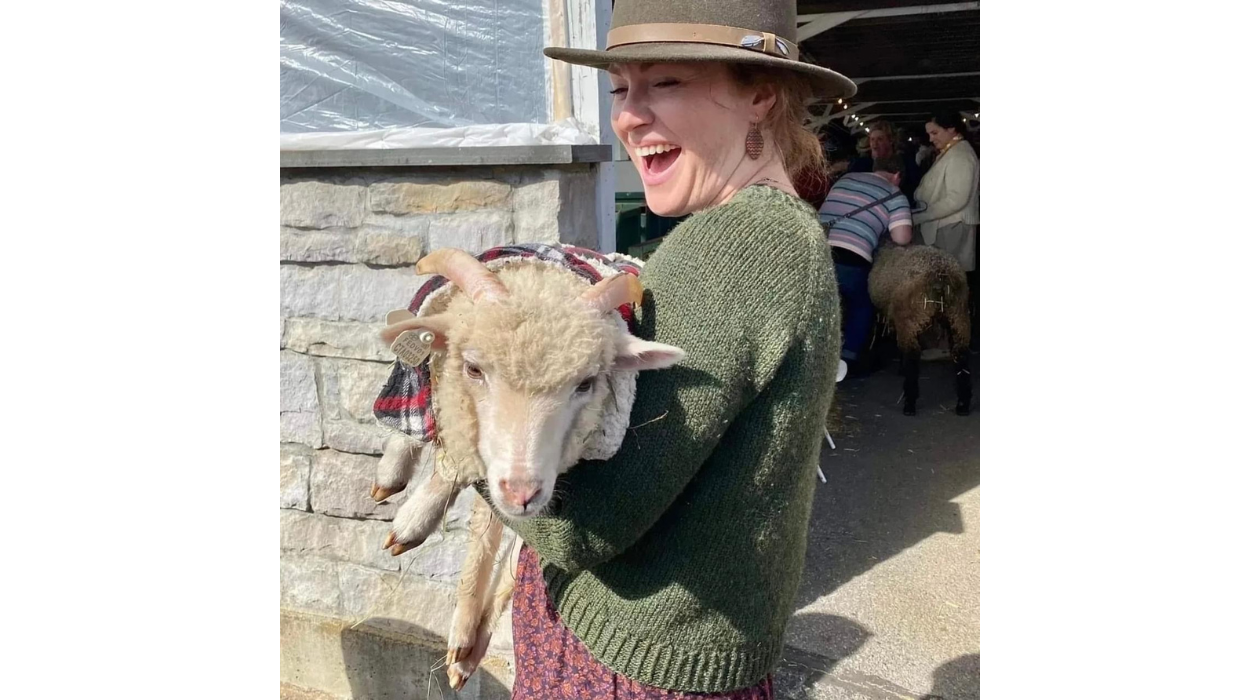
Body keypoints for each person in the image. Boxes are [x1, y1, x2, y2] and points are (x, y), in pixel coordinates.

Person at [488, 0, 852, 697]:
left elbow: (578, 529)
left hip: (632, 659)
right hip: (679, 648)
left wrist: (462, 404)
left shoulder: (739, 246)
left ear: (761, 94)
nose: (628, 117)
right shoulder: (772, 233)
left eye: (665, 84)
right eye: (622, 89)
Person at [818, 157, 913, 379]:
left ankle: (813, 355)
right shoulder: (894, 194)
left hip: (820, 249)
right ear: (897, 176)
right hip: (852, 256)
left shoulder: (845, 179)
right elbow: (902, 237)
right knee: (862, 304)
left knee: (821, 302)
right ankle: (847, 360)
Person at [913, 112, 980, 272]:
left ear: (951, 128)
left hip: (950, 226)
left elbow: (956, 199)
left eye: (934, 133)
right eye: (929, 134)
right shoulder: (953, 151)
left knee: (946, 276)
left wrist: (920, 216)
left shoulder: (960, 155)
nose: (930, 139)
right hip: (946, 224)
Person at [846, 121, 921, 197]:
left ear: (891, 140)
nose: (875, 144)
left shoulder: (906, 163)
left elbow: (914, 188)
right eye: (872, 139)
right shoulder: (861, 165)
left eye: (880, 139)